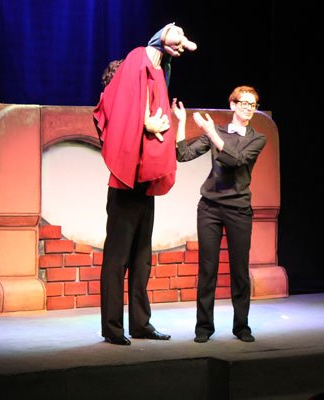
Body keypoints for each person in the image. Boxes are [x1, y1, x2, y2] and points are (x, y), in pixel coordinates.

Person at [93, 23, 197, 346]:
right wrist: (144, 124)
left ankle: (140, 323)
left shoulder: (144, 90)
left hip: (144, 187)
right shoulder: (116, 101)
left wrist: (169, 52)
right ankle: (112, 327)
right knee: (117, 259)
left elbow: (156, 74)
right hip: (123, 189)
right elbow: (145, 56)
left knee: (141, 258)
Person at [173, 86, 266, 343]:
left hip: (239, 210)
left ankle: (242, 327)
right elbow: (183, 155)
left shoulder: (257, 138)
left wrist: (211, 132)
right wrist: (181, 123)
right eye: (244, 103)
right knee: (208, 269)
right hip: (210, 208)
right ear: (232, 105)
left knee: (239, 270)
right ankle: (204, 327)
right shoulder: (217, 132)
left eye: (253, 104)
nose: (248, 108)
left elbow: (236, 161)